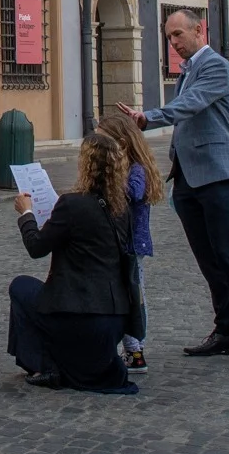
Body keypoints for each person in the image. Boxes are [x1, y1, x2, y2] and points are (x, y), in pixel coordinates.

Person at [118, 7, 229, 366]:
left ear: (198, 30)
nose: (173, 43)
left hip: (218, 174)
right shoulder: (186, 72)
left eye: (178, 35)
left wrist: (149, 117)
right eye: (169, 37)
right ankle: (226, 332)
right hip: (188, 178)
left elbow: (189, 106)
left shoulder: (214, 65)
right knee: (208, 260)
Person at [7, 133, 139, 394]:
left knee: (20, 287)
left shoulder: (72, 204)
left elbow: (36, 247)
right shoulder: (121, 207)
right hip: (115, 318)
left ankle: (42, 364)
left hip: (81, 315)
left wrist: (26, 213)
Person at [96, 110, 165, 374]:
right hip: (120, 242)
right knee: (121, 293)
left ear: (121, 143)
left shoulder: (136, 168)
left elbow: (133, 192)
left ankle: (135, 351)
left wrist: (111, 178)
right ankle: (121, 348)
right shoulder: (127, 165)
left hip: (132, 245)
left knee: (134, 295)